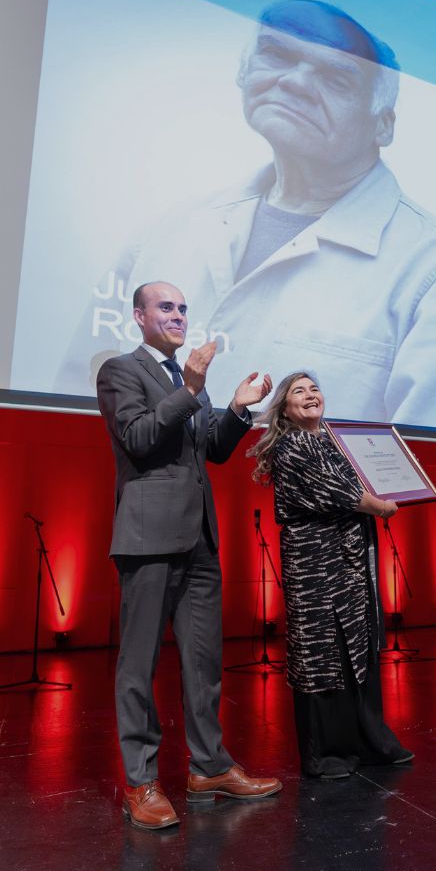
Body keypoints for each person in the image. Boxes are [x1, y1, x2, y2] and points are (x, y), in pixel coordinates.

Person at [58, 0, 436, 431]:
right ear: (243, 71)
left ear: (384, 123)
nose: (294, 83)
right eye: (276, 54)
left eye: (336, 78)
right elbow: (79, 394)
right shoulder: (171, 229)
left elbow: (427, 469)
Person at [96, 280, 282, 830]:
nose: (178, 315)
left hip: (199, 538)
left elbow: (213, 451)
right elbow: (138, 438)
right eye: (166, 307)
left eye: (182, 307)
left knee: (203, 663)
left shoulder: (185, 379)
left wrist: (238, 410)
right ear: (138, 316)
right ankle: (140, 780)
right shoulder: (121, 370)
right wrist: (193, 387)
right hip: (149, 536)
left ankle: (210, 767)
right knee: (139, 665)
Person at [249, 371, 413, 778]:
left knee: (356, 648)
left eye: (315, 389)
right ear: (284, 408)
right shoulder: (292, 446)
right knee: (322, 652)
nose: (310, 396)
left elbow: (370, 476)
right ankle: (327, 753)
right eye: (298, 391)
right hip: (314, 562)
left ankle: (369, 741)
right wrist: (380, 506)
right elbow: (335, 491)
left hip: (350, 558)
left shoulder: (337, 441)